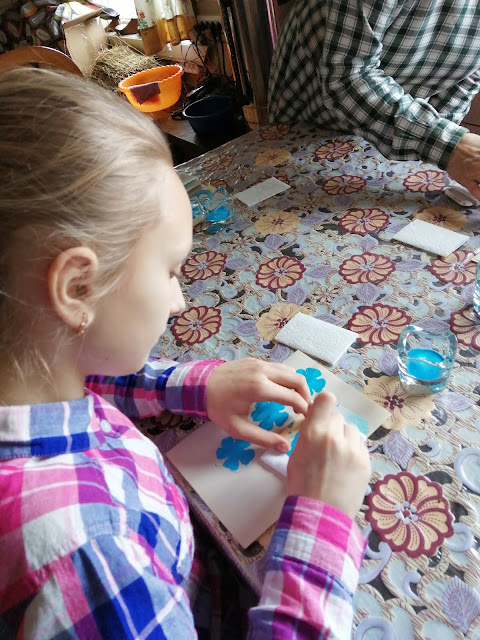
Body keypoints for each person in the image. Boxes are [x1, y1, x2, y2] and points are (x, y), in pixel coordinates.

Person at [0, 68, 371, 639]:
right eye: (171, 270)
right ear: (77, 288)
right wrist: (322, 522)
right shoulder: (90, 558)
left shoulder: (29, 369)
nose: (180, 301)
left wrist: (197, 386)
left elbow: (82, 372)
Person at [269, 0, 480, 201]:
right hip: (314, 120)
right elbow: (347, 77)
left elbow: (467, 77)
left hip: (400, 126)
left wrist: (440, 148)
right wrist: (448, 145)